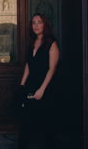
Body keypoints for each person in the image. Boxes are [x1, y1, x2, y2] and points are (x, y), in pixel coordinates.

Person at [17, 13, 60, 149]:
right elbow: (28, 65)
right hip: (31, 84)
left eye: (39, 22)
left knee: (46, 123)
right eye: (33, 23)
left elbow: (52, 70)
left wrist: (42, 90)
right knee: (26, 120)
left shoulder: (52, 44)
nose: (36, 25)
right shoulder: (32, 42)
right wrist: (22, 85)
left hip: (46, 87)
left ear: (45, 25)